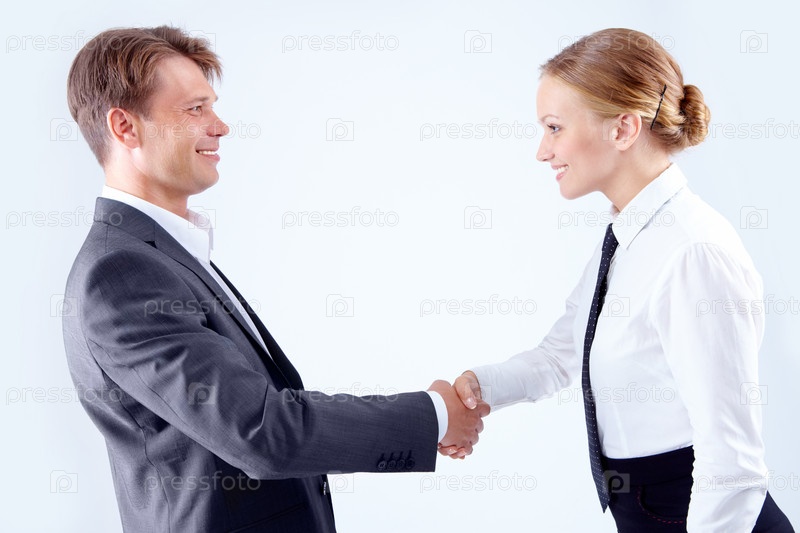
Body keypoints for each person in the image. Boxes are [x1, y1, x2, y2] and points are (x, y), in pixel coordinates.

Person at [61, 26, 488, 533]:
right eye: (195, 109)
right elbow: (262, 430)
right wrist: (434, 415)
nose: (220, 127)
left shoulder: (165, 257)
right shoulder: (121, 275)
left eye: (212, 107)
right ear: (125, 127)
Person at [441, 28, 794, 532]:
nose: (542, 151)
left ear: (623, 129)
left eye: (555, 128)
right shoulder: (627, 237)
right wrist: (479, 388)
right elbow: (561, 354)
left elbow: (732, 465)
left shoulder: (692, 254)